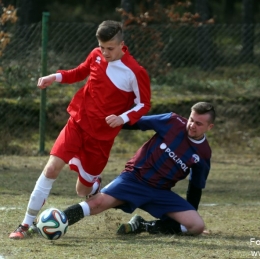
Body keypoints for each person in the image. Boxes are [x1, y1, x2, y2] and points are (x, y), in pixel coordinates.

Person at [9, 20, 151, 239]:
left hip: (101, 139)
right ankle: (25, 225)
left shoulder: (135, 71)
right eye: (102, 47)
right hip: (77, 122)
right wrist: (53, 77)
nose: (104, 53)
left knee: (82, 191)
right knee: (51, 169)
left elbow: (144, 104)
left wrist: (122, 117)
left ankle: (94, 185)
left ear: (122, 44)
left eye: (110, 48)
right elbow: (78, 72)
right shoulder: (95, 54)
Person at [60, 101, 215, 236]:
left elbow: (195, 187)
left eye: (198, 124)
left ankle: (144, 226)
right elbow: (137, 122)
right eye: (191, 119)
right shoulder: (172, 121)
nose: (192, 126)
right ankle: (59, 219)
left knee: (196, 226)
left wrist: (191, 212)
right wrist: (114, 121)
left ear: (210, 127)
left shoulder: (203, 153)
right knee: (96, 204)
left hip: (160, 193)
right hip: (134, 179)